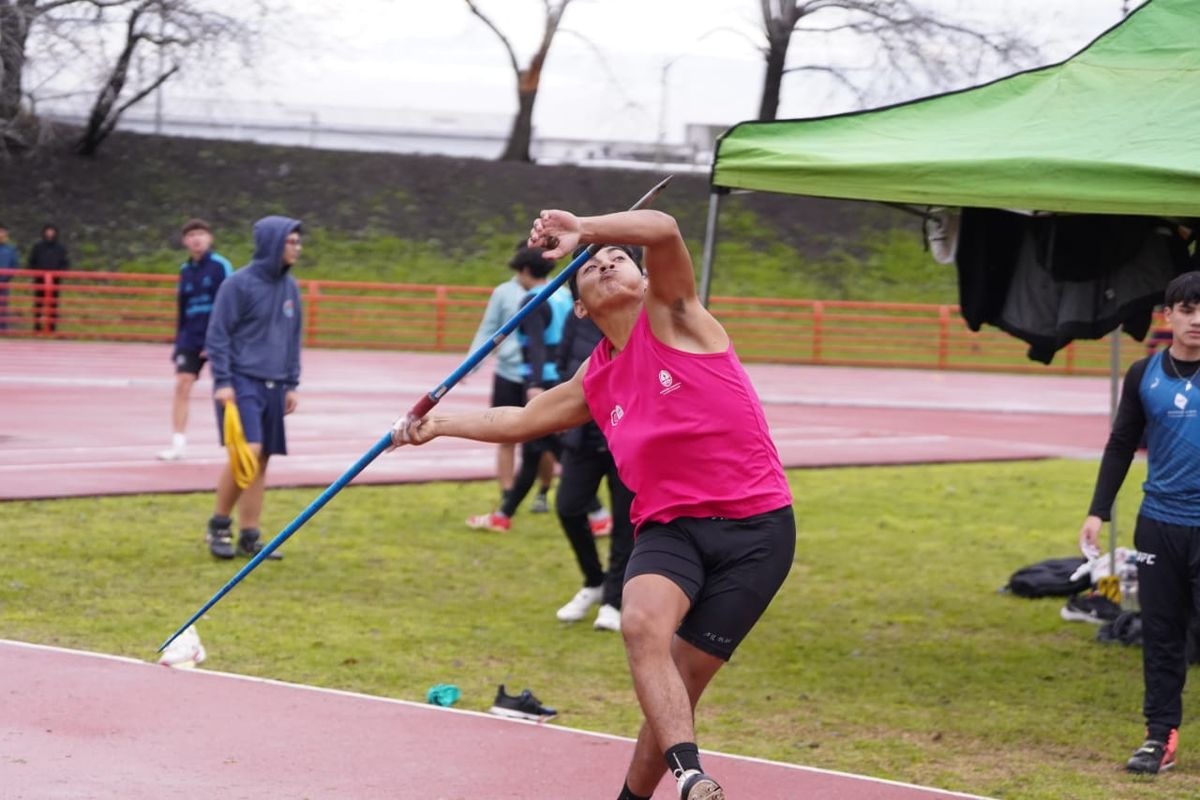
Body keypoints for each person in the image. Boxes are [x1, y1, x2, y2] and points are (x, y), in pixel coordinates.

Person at [393, 208, 795, 800]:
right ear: (578, 305)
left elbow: (662, 227)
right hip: (671, 528)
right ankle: (691, 775)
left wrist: (585, 228)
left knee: (682, 680)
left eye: (618, 258)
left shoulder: (678, 317)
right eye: (592, 266)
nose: (607, 262)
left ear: (643, 278)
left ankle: (638, 796)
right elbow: (524, 418)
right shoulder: (596, 377)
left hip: (755, 532)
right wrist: (438, 424)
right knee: (639, 625)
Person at [1079, 270, 1200, 776]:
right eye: (1188, 310)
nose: (1198, 321)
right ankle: (1159, 737)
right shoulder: (1141, 376)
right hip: (1158, 527)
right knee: (1162, 633)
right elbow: (1121, 444)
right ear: (1167, 315)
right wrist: (1098, 509)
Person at [203, 216, 304, 561]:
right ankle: (218, 525)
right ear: (273, 243)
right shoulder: (238, 284)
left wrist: (291, 383)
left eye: (298, 242)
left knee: (261, 460)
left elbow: (293, 339)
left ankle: (250, 534)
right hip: (241, 381)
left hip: (276, 384)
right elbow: (217, 335)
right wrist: (223, 382)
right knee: (247, 450)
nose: (297, 248)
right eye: (291, 241)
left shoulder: (291, 288)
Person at [465, 245, 573, 532]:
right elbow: (488, 330)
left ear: (525, 269)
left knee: (544, 443)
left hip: (537, 380)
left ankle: (549, 497)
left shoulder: (549, 296)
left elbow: (539, 345)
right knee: (520, 440)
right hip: (519, 376)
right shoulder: (509, 292)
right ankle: (506, 502)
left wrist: (536, 382)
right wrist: (471, 364)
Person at [553, 278, 635, 633]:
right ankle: (594, 580)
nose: (604, 275)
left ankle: (614, 600)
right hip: (583, 437)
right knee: (569, 506)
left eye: (614, 264)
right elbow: (564, 366)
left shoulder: (642, 327)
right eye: (594, 269)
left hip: (626, 442)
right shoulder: (579, 321)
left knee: (625, 522)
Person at [158, 219, 234, 461]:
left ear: (209, 237)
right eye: (191, 235)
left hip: (218, 338)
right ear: (185, 241)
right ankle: (178, 443)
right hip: (190, 338)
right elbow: (182, 308)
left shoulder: (220, 266)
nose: (196, 239)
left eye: (200, 234)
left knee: (225, 390)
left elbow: (230, 305)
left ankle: (233, 441)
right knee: (182, 385)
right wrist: (180, 340)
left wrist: (219, 340)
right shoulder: (185, 270)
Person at [28, 224, 69, 333]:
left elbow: (65, 263)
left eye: (52, 231)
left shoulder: (60, 248)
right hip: (39, 280)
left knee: (53, 304)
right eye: (48, 231)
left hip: (55, 281)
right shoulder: (37, 247)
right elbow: (31, 261)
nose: (50, 233)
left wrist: (59, 274)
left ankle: (52, 327)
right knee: (38, 303)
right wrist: (36, 273)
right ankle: (37, 326)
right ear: (44, 232)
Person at [0, 222, 19, 332]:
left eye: (2, 231)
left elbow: (14, 265)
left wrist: (6, 278)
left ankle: (2, 328)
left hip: (4, 282)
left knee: (3, 305)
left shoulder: (10, 249)